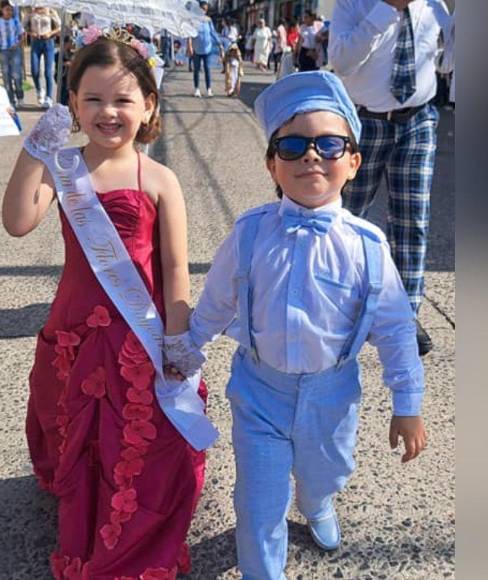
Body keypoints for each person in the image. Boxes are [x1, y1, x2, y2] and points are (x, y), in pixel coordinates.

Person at [164, 71, 427, 579]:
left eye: (330, 144)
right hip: (259, 391)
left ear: (353, 162)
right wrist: (183, 354)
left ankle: (318, 503)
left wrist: (408, 404)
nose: (312, 155)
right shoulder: (249, 234)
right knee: (258, 504)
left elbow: (395, 330)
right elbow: (216, 305)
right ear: (272, 164)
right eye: (293, 145)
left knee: (326, 473)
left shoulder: (368, 247)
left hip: (333, 395)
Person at [2, 28, 214, 578]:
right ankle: (82, 507)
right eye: (92, 99)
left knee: (135, 439)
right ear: (72, 103)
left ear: (149, 106)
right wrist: (35, 150)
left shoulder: (161, 178)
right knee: (79, 428)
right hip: (74, 329)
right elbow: (18, 223)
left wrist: (177, 333)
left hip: (135, 336)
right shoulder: (63, 168)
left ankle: (129, 526)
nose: (108, 112)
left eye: (122, 99)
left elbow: (173, 268)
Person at [329, 0, 451, 355]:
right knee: (345, 217)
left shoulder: (434, 5)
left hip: (417, 119)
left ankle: (404, 318)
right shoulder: (353, 4)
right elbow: (343, 61)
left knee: (412, 220)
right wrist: (385, 9)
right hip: (363, 121)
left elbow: (446, 62)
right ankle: (336, 308)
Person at [24, 3, 61, 108]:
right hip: (35, 42)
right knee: (34, 71)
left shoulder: (50, 10)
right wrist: (31, 33)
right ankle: (39, 89)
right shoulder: (31, 11)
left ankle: (48, 98)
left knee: (48, 72)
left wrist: (50, 33)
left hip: (48, 42)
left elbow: (59, 26)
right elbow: (24, 27)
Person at [187, 1, 222, 98]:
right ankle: (197, 89)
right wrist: (189, 45)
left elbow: (213, 32)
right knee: (196, 69)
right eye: (202, 9)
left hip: (207, 48)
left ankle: (209, 89)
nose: (204, 11)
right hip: (196, 48)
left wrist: (219, 43)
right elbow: (189, 33)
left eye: (205, 9)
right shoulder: (193, 20)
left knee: (207, 69)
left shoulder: (208, 20)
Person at [0, 0, 25, 108]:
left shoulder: (15, 21)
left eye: (11, 10)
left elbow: (22, 35)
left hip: (15, 50)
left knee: (17, 74)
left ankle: (20, 97)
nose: (9, 12)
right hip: (3, 51)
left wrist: (18, 44)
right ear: (2, 10)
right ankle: (11, 100)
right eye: (7, 10)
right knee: (6, 76)